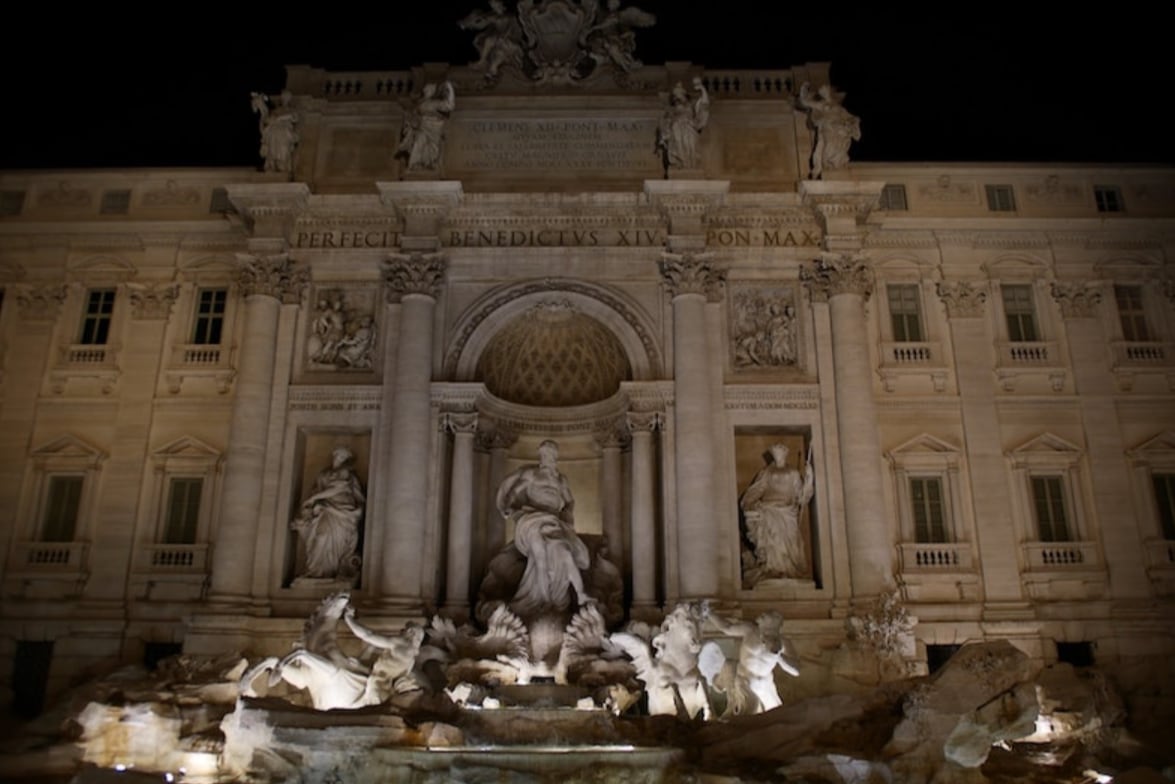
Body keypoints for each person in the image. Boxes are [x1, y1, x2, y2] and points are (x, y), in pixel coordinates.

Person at [495, 440, 592, 616]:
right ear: (541, 456)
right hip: (532, 520)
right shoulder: (532, 474)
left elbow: (569, 501)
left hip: (554, 522)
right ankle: (544, 600)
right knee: (539, 555)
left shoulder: (561, 480)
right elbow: (514, 491)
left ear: (556, 457)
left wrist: (568, 518)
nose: (548, 458)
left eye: (551, 454)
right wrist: (508, 506)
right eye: (545, 454)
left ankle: (580, 594)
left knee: (565, 552)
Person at [739, 442, 814, 579]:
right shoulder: (766, 472)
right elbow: (756, 490)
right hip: (768, 510)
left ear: (785, 454)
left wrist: (809, 479)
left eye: (781, 452)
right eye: (776, 453)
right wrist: (749, 504)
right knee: (772, 539)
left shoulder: (793, 473)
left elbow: (802, 497)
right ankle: (772, 569)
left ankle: (788, 570)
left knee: (789, 543)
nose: (779, 456)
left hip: (788, 513)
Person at [290, 447, 365, 580]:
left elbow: (337, 489)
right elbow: (317, 489)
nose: (339, 459)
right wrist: (314, 503)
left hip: (342, 512)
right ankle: (315, 571)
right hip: (325, 511)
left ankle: (330, 572)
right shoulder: (324, 474)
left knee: (332, 540)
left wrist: (314, 498)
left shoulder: (346, 473)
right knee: (321, 537)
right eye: (338, 456)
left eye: (343, 458)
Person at [705, 608, 798, 714]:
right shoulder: (749, 630)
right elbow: (727, 627)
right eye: (765, 633)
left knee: (777, 715)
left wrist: (778, 656)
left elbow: (795, 671)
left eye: (772, 635)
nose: (766, 637)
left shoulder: (783, 643)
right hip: (745, 680)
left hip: (765, 683)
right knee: (748, 714)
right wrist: (709, 612)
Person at [798, 82, 860, 179]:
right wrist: (804, 89)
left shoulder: (838, 107)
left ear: (829, 92)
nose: (824, 92)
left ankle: (835, 166)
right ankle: (827, 165)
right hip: (828, 128)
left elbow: (849, 118)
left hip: (839, 130)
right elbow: (804, 101)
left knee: (837, 147)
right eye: (822, 91)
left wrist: (851, 123)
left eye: (825, 90)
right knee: (828, 146)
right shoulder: (821, 104)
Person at [396, 81, 456, 172]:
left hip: (434, 127)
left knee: (432, 147)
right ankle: (414, 164)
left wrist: (450, 89)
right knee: (419, 142)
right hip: (422, 127)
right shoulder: (421, 103)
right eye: (427, 90)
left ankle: (428, 163)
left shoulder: (435, 103)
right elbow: (411, 114)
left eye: (430, 90)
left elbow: (450, 105)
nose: (427, 91)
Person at [458, 0, 523, 80]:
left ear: (501, 4)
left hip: (509, 42)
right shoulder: (493, 16)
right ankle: (483, 62)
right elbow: (481, 23)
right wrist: (466, 23)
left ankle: (490, 67)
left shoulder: (510, 17)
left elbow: (516, 32)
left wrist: (506, 37)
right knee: (491, 41)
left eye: (495, 4)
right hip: (499, 41)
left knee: (495, 44)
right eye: (492, 5)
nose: (493, 7)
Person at [656, 78, 710, 170]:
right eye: (675, 96)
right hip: (676, 129)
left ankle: (690, 166)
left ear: (685, 96)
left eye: (679, 95)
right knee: (678, 145)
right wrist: (664, 135)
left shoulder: (692, 106)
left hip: (690, 128)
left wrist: (702, 89)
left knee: (691, 147)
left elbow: (704, 106)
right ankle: (681, 164)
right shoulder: (670, 110)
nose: (677, 98)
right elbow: (665, 123)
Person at [253, 90, 299, 174]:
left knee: (283, 148)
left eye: (286, 97)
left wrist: (279, 118)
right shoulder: (276, 110)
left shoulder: (291, 110)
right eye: (283, 97)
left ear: (289, 99)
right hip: (274, 131)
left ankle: (282, 165)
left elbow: (294, 117)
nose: (285, 99)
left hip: (284, 132)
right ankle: (272, 165)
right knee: (273, 146)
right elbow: (267, 119)